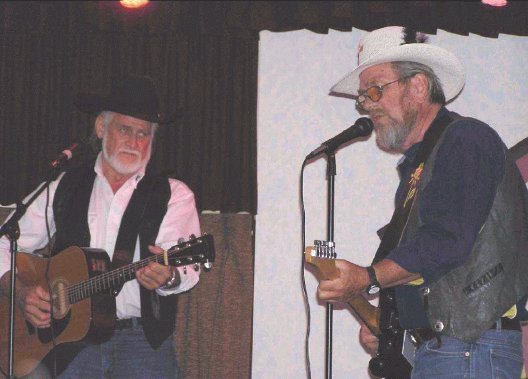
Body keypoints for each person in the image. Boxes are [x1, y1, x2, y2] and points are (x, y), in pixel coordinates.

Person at [317, 26, 528, 378]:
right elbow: (432, 269)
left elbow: (446, 242)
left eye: (374, 89)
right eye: (363, 97)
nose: (367, 105)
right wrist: (390, 325)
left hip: (469, 350)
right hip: (453, 352)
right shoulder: (422, 162)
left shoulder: (464, 140)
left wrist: (367, 277)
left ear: (417, 86)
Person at [0, 74, 201, 378]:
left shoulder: (173, 194)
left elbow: (187, 269)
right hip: (68, 341)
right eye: (124, 129)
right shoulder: (64, 185)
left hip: (141, 341)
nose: (134, 142)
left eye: (143, 134)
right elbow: (5, 242)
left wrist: (168, 276)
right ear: (100, 127)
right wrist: (21, 291)